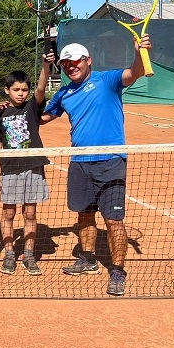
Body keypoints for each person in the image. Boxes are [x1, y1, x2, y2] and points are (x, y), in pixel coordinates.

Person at [42, 37, 152, 297]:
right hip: (79, 163)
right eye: (66, 64)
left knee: (113, 220)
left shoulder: (107, 80)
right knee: (84, 215)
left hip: (110, 161)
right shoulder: (64, 94)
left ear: (88, 60)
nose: (71, 67)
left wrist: (141, 53)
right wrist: (14, 108)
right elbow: (43, 117)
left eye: (76, 61)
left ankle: (117, 270)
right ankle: (88, 258)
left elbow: (134, 72)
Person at [0, 52, 54, 277]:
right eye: (16, 89)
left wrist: (46, 67)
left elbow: (41, 90)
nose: (20, 93)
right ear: (7, 90)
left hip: (33, 166)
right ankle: (9, 254)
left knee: (30, 213)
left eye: (24, 90)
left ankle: (29, 254)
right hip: (9, 169)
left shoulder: (31, 108)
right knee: (8, 213)